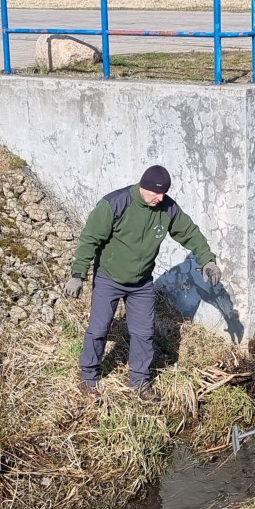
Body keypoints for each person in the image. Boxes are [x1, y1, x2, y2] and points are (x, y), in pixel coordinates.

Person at [63, 165, 221, 401]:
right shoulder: (115, 204)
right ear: (143, 185)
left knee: (144, 332)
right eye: (155, 193)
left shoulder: (167, 208)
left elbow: (190, 233)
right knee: (98, 330)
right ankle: (89, 378)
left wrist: (207, 259)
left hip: (141, 283)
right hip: (109, 278)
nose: (160, 198)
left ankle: (139, 382)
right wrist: (78, 274)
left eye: (164, 193)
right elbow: (89, 239)